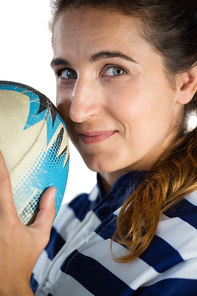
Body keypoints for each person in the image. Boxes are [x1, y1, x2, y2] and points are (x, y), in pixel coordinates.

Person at [0, 0, 197, 295]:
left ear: (186, 82)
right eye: (67, 73)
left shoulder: (190, 246)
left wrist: (11, 282)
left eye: (115, 70)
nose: (78, 111)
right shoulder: (61, 217)